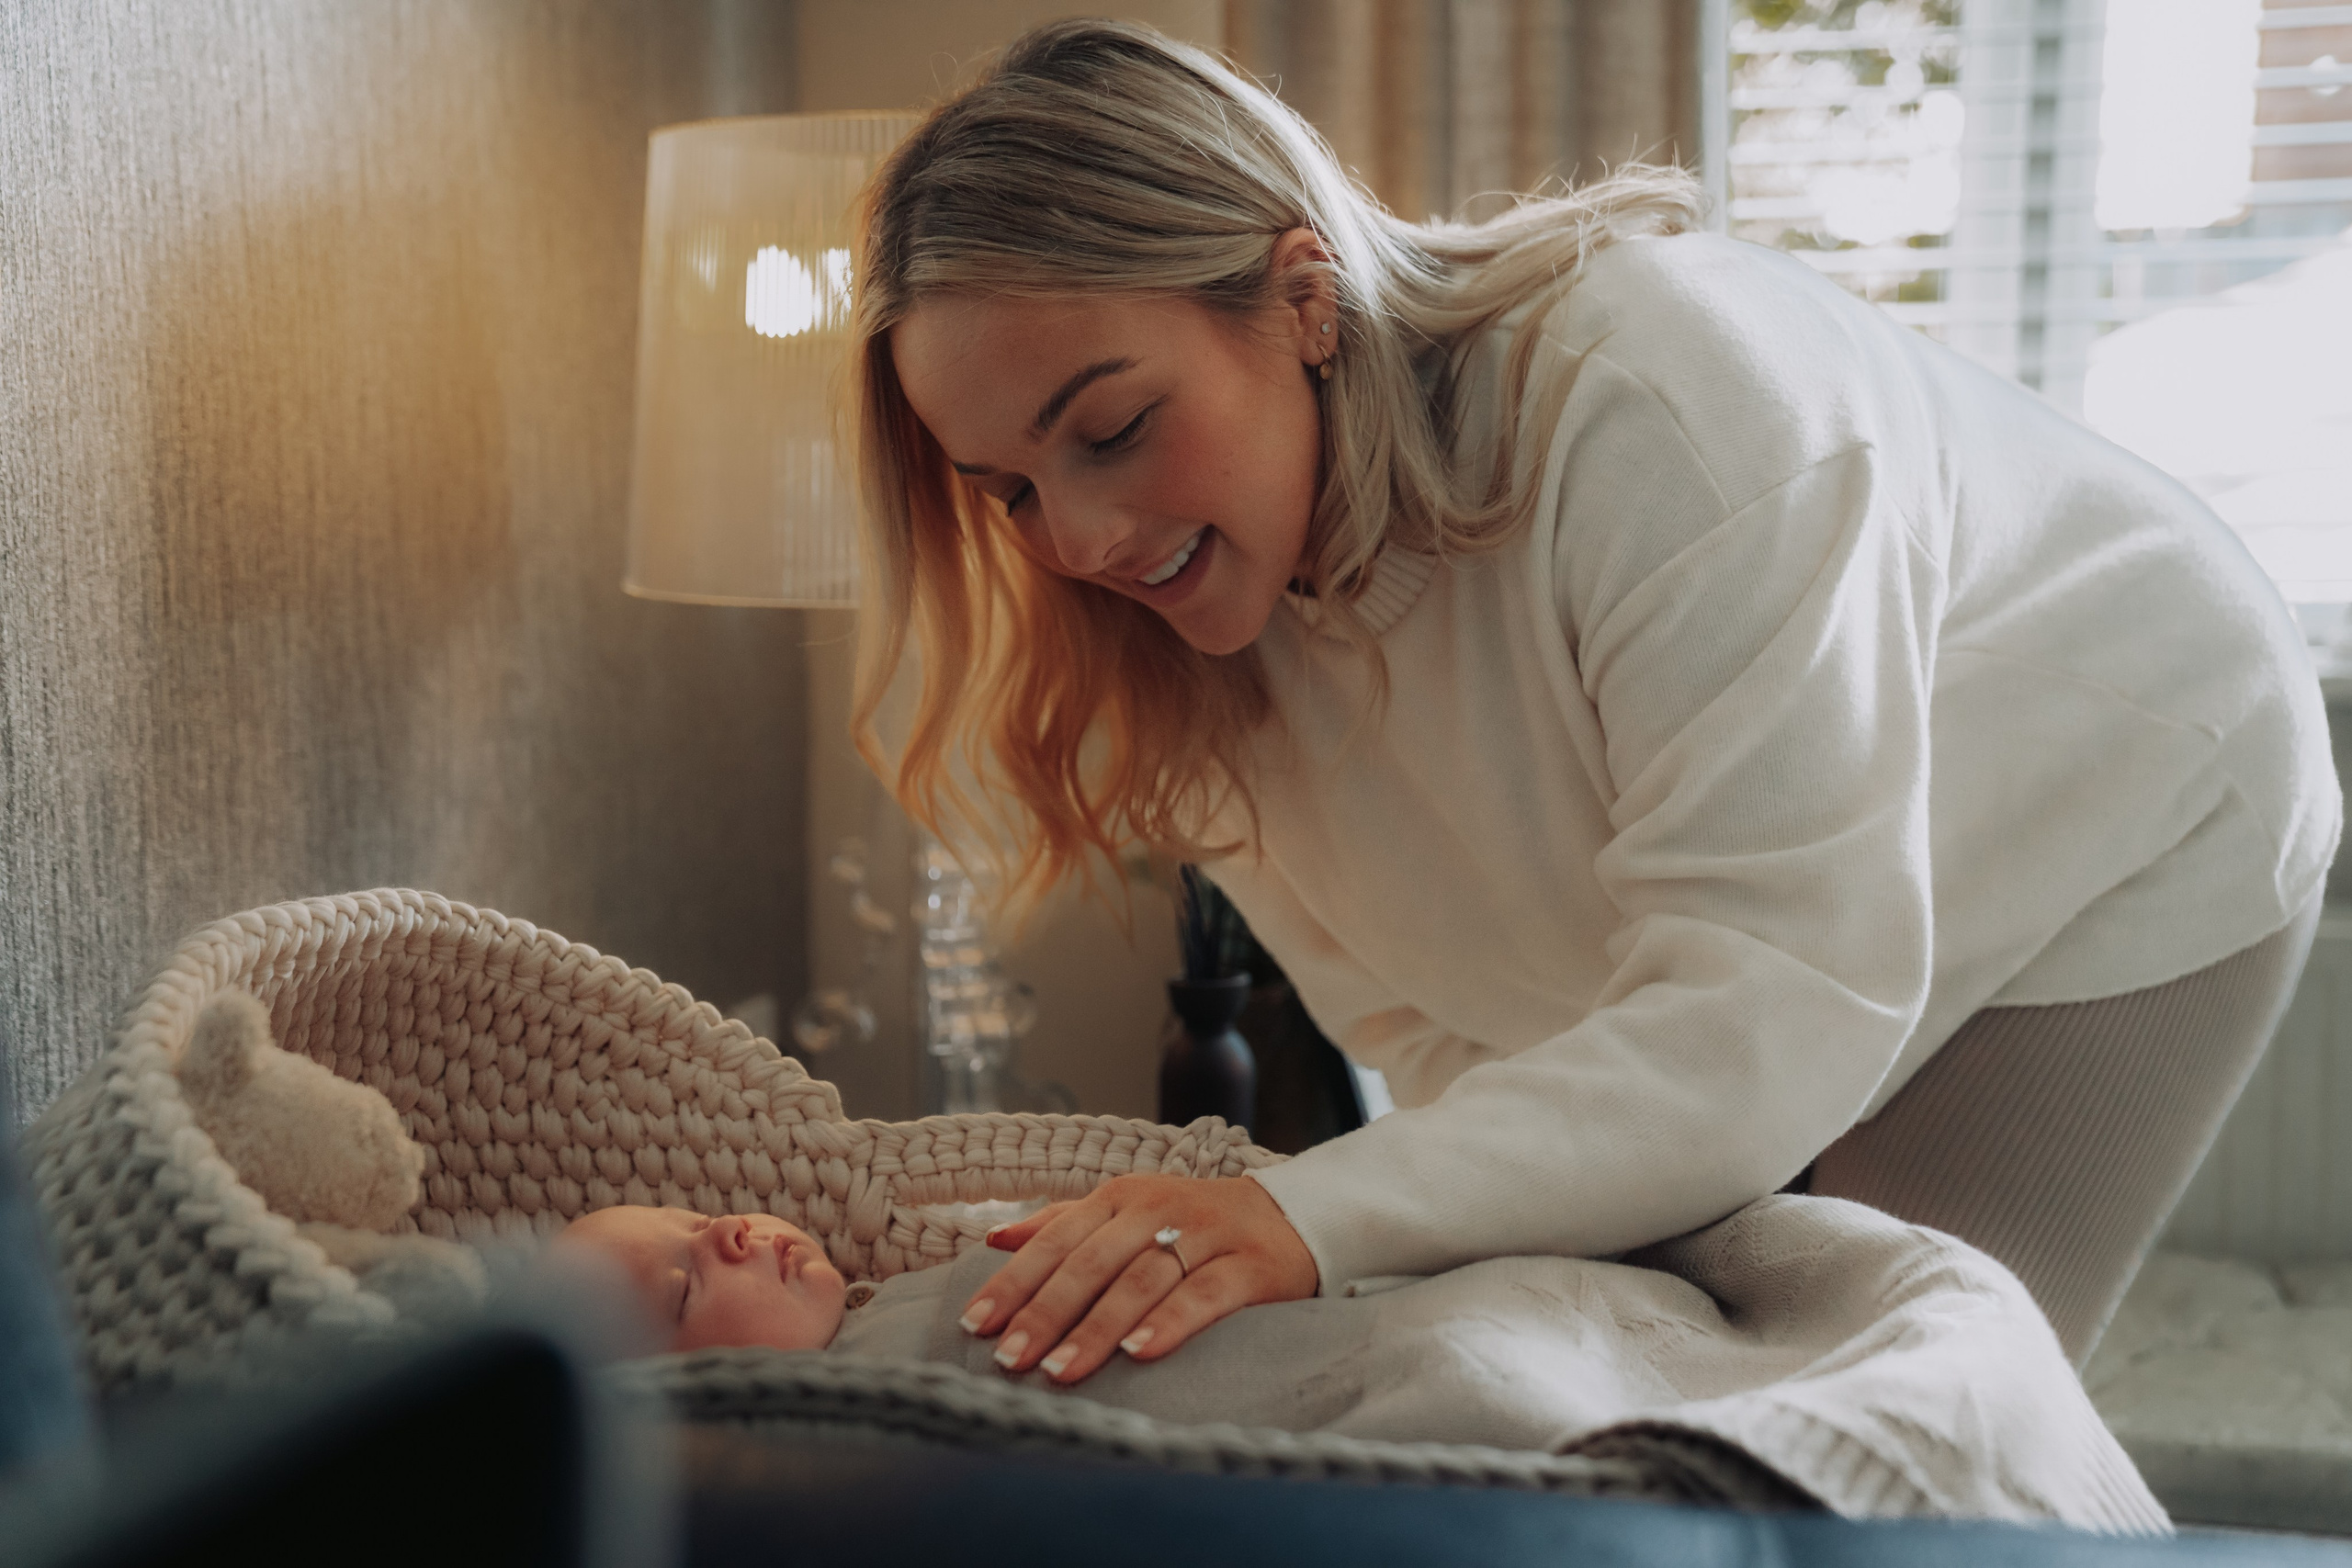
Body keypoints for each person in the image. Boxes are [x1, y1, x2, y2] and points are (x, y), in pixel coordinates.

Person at [846, 20, 2341, 1385]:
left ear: (1303, 299)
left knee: (1896, 1415)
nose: (1083, 540)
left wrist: (1295, 1216)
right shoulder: (1152, 647)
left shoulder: (1671, 406)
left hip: (2132, 788)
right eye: (1012, 491)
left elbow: (1764, 1015)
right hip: (1777, 966)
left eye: (1113, 428)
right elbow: (1443, 1040)